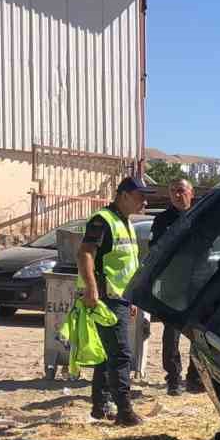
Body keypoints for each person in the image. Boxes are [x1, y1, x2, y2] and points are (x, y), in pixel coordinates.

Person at [78, 176, 147, 426]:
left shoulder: (124, 221)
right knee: (120, 354)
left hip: (122, 298)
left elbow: (127, 264)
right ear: (124, 195)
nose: (144, 201)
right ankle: (125, 412)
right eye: (140, 196)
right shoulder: (102, 220)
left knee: (109, 354)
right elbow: (85, 253)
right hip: (106, 298)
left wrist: (134, 297)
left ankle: (100, 405)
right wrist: (91, 289)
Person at [148, 178, 203, 396]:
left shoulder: (202, 216)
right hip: (172, 283)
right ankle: (173, 379)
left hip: (199, 283)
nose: (177, 195)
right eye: (173, 192)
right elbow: (154, 250)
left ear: (191, 193)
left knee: (198, 333)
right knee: (171, 333)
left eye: (181, 191)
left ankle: (195, 378)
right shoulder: (162, 220)